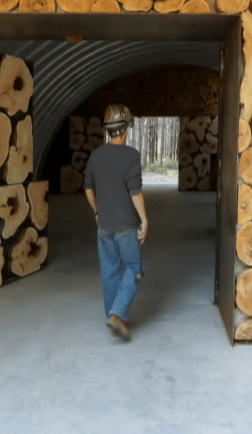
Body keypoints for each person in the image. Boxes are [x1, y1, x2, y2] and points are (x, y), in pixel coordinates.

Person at [83, 104, 148, 341]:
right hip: (126, 225)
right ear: (126, 129)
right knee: (136, 267)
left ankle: (113, 314)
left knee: (110, 270)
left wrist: (97, 212)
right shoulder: (131, 156)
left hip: (104, 225)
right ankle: (118, 314)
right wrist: (144, 219)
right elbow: (135, 191)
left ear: (108, 130)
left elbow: (88, 188)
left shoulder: (96, 156)